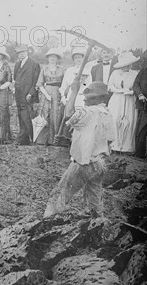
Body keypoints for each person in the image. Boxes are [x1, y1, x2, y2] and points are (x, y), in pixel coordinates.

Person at [43, 82, 115, 219]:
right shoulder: (108, 114)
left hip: (84, 163)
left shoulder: (87, 112)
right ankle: (97, 227)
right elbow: (109, 139)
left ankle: (45, 222)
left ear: (96, 98)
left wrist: (73, 92)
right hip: (100, 164)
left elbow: (68, 115)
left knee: (60, 194)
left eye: (87, 97)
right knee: (94, 201)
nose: (84, 99)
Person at [108, 51, 140, 153]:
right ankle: (114, 145)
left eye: (129, 64)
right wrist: (120, 90)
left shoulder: (135, 74)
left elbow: (137, 87)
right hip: (117, 99)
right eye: (125, 65)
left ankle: (127, 147)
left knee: (129, 121)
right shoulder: (115, 73)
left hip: (130, 100)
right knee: (115, 119)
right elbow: (110, 87)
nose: (127, 66)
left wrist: (131, 92)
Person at [35, 48, 65, 145]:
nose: (52, 58)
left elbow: (64, 84)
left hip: (57, 92)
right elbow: (39, 84)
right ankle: (43, 140)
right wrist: (46, 95)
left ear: (57, 59)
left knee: (56, 114)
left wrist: (62, 94)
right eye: (51, 57)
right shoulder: (44, 68)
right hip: (46, 92)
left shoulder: (61, 69)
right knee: (45, 114)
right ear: (48, 58)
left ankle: (54, 140)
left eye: (54, 57)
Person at [13, 44, 41, 145]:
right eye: (19, 53)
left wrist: (31, 93)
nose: (21, 55)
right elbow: (16, 78)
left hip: (27, 94)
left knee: (27, 116)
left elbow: (36, 81)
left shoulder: (34, 64)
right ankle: (23, 139)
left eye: (23, 52)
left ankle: (30, 138)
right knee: (21, 115)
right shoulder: (17, 64)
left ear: (27, 52)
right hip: (18, 94)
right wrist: (14, 89)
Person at [133, 51, 147, 158]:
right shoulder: (143, 71)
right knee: (142, 129)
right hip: (143, 103)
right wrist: (140, 94)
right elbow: (136, 84)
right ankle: (140, 154)